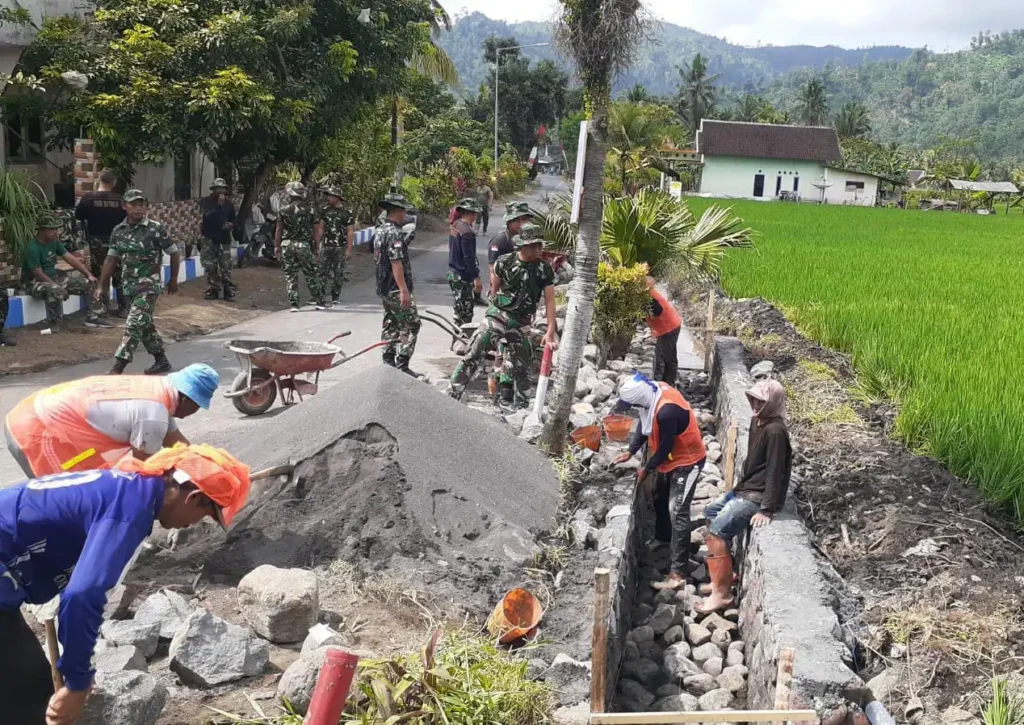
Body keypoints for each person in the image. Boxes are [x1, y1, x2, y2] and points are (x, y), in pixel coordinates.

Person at [0, 444, 250, 725]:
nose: (194, 524)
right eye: (206, 515)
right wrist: (78, 682)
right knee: (28, 696)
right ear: (193, 498)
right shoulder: (129, 512)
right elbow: (83, 595)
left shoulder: (129, 489)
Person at [4, 363, 219, 479]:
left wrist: (212, 471)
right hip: (35, 430)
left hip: (37, 412)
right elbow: (144, 470)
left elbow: (178, 446)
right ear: (186, 398)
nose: (197, 410)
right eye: (199, 405)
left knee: (88, 488)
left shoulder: (160, 393)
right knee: (64, 498)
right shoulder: (154, 413)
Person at [698, 379, 792, 613]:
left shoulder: (775, 431)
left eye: (761, 401)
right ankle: (724, 574)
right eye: (753, 399)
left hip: (758, 495)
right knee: (710, 512)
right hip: (746, 488)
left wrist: (767, 508)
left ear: (772, 403)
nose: (755, 405)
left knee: (717, 531)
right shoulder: (756, 420)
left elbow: (776, 471)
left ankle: (722, 593)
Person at [612, 372, 706, 590]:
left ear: (640, 398)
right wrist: (631, 451)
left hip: (688, 461)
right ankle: (663, 537)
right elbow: (644, 424)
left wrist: (646, 469)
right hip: (671, 460)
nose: (634, 408)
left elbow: (665, 446)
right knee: (658, 495)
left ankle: (678, 572)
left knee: (677, 510)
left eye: (634, 404)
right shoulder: (652, 394)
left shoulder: (666, 411)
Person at [449, 223, 559, 410]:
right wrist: (493, 312)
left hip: (522, 321)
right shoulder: (504, 262)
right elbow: (495, 288)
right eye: (533, 245)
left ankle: (521, 408)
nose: (538, 249)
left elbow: (549, 300)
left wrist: (550, 331)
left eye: (539, 245)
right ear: (522, 245)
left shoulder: (544, 269)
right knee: (475, 350)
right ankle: (453, 392)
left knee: (522, 365)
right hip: (498, 315)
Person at [96, 189, 181, 375]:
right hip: (129, 287)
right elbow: (111, 259)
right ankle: (161, 360)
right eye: (134, 204)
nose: (138, 208)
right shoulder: (118, 231)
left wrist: (174, 278)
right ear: (124, 206)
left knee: (134, 324)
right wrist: (102, 285)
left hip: (149, 286)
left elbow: (174, 252)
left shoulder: (155, 229)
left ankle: (118, 367)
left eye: (141, 204)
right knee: (144, 325)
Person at [23, 213, 110, 332]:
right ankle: (53, 323)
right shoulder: (32, 248)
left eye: (56, 229)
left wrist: (88, 274)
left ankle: (93, 318)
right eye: (52, 229)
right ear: (42, 230)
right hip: (34, 283)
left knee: (89, 283)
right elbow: (38, 274)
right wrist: (56, 286)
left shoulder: (54, 242)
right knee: (54, 290)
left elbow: (70, 258)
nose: (56, 232)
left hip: (53, 278)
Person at [374, 192, 421, 374]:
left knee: (391, 322)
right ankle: (402, 364)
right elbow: (396, 262)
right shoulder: (394, 233)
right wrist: (403, 290)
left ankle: (388, 362)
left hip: (384, 286)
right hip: (395, 287)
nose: (405, 215)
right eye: (404, 211)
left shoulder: (380, 230)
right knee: (412, 324)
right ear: (398, 211)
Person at [75, 168, 127, 317]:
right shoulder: (120, 200)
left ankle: (102, 309)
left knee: (100, 274)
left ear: (99, 179)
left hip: (96, 241)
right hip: (117, 241)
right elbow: (126, 219)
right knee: (119, 274)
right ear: (114, 182)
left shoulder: (88, 199)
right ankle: (124, 308)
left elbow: (79, 216)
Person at [275, 181, 325, 312]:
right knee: (311, 273)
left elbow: (279, 230)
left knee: (290, 276)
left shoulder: (283, 210)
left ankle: (294, 305)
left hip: (287, 245)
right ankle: (319, 301)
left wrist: (277, 246)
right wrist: (316, 247)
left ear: (290, 194)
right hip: (304, 245)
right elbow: (316, 231)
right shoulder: (310, 210)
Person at [199, 178, 237, 302]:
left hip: (224, 239)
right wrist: (218, 206)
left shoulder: (229, 205)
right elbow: (207, 216)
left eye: (222, 189)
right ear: (213, 190)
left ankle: (228, 290)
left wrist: (231, 225)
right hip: (208, 238)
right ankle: (214, 289)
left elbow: (234, 220)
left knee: (225, 266)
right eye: (217, 189)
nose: (220, 191)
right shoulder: (206, 202)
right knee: (210, 266)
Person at [447, 198, 482, 326]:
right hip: (463, 276)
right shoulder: (467, 232)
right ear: (473, 213)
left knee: (458, 308)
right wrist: (476, 277)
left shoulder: (456, 225)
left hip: (453, 272)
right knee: (466, 313)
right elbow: (469, 257)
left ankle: (456, 334)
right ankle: (462, 335)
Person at [319, 185, 355, 307]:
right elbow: (321, 228)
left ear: (337, 197)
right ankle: (319, 295)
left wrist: (349, 249)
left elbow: (350, 231)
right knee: (322, 271)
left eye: (330, 196)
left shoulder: (347, 213)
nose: (328, 198)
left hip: (340, 246)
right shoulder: (325, 211)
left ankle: (335, 295)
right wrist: (317, 244)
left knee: (338, 272)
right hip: (327, 245)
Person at [646, 276, 682, 386]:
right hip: (669, 326)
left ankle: (669, 384)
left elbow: (657, 311)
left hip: (669, 327)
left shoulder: (650, 297)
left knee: (669, 358)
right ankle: (665, 381)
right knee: (666, 356)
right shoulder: (650, 294)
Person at [487, 200, 533, 283]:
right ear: (509, 221)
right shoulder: (500, 241)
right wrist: (494, 289)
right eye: (516, 220)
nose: (521, 223)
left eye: (524, 219)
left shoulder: (531, 240)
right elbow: (494, 271)